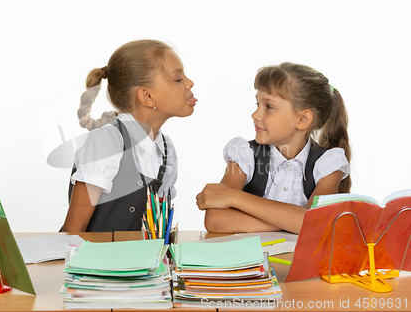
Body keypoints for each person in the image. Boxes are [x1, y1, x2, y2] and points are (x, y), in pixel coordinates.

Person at [196, 62, 350, 234]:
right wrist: (296, 222)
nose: (255, 115)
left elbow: (319, 223)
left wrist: (234, 197)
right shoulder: (244, 155)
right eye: (257, 104)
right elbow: (215, 220)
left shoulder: (328, 163)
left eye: (268, 106)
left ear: (302, 119)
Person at [62, 40, 197, 232]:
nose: (190, 83)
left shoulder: (167, 149)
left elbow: (156, 232)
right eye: (178, 79)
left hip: (139, 261)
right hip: (94, 261)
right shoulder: (107, 142)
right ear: (147, 97)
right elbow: (72, 232)